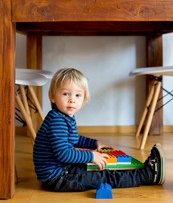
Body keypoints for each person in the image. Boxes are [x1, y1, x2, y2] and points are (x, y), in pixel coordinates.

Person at [33, 67, 165, 192]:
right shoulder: (57, 120)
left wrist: (94, 143)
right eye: (66, 94)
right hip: (58, 177)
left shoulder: (62, 116)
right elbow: (64, 153)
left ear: (84, 98)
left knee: (101, 168)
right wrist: (91, 156)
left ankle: (144, 170)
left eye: (78, 95)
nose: (72, 100)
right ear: (52, 96)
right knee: (106, 177)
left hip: (60, 171)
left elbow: (74, 138)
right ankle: (148, 174)